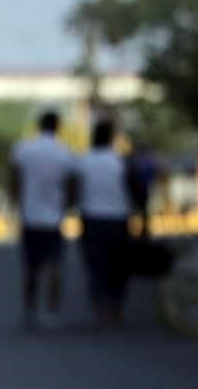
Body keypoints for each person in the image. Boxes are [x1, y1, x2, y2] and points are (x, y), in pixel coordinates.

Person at [9, 110, 75, 329]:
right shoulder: (64, 152)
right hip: (54, 217)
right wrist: (66, 206)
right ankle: (53, 311)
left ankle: (30, 310)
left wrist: (17, 204)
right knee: (54, 265)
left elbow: (15, 180)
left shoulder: (24, 149)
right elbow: (71, 184)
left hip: (30, 216)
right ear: (57, 126)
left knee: (30, 267)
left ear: (39, 125)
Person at [75, 119, 131, 327]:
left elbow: (75, 188)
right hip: (118, 219)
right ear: (111, 138)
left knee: (96, 267)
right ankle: (117, 311)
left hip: (92, 219)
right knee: (118, 268)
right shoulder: (119, 161)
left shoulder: (84, 161)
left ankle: (101, 314)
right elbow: (132, 189)